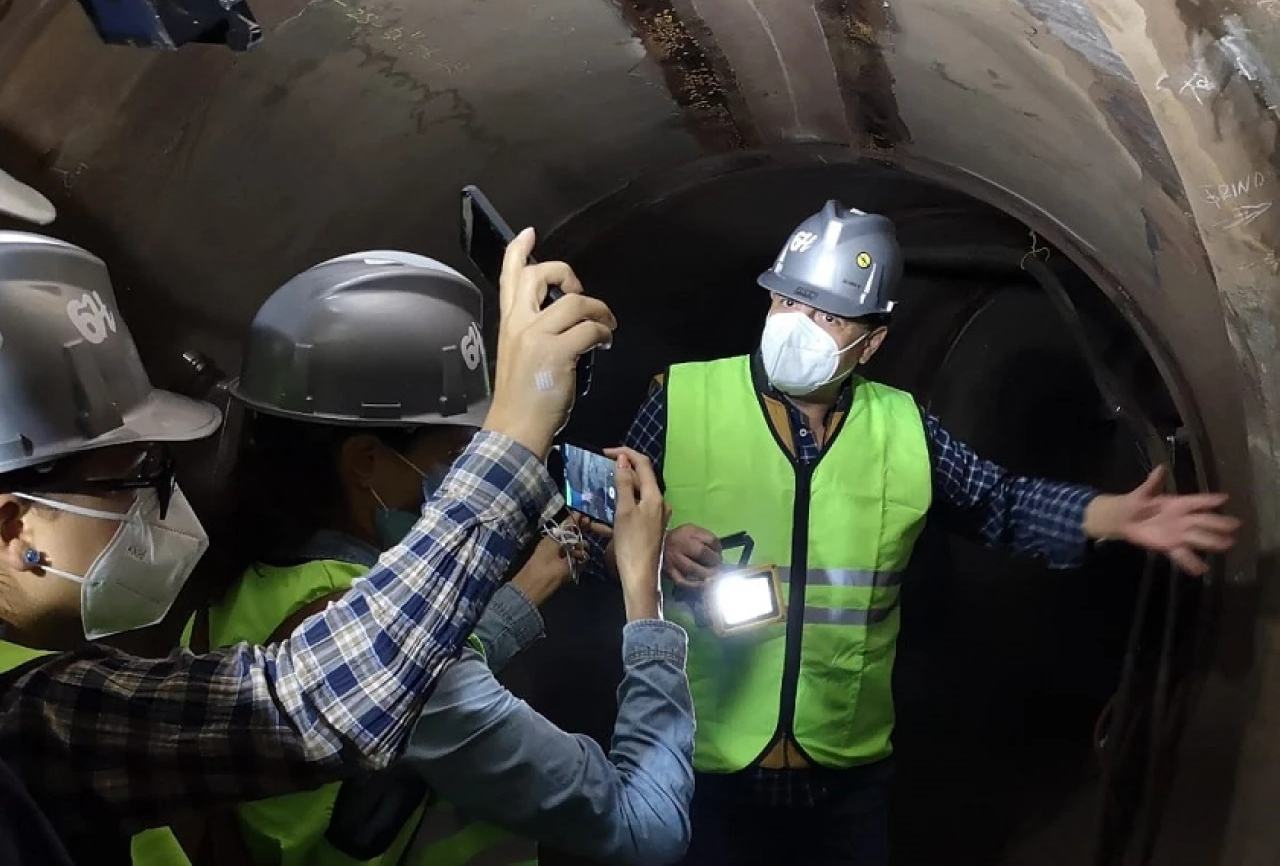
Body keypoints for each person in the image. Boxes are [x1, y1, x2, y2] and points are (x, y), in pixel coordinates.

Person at [0, 155, 619, 865]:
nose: (160, 499)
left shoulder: (93, 672)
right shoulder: (35, 718)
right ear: (14, 526)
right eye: (134, 475)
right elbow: (311, 704)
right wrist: (515, 433)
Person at [587, 200, 1241, 866]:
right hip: (700, 759)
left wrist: (1111, 515)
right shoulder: (683, 399)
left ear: (871, 342)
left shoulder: (903, 428)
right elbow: (589, 525)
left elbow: (998, 504)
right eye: (787, 301)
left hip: (843, 771)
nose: (797, 325)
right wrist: (652, 547)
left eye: (827, 315)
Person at [191, 250, 694, 866]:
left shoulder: (245, 573)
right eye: (455, 457)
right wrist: (645, 598)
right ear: (365, 462)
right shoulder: (382, 641)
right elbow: (647, 826)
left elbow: (398, 659)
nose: (460, 475)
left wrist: (530, 585)